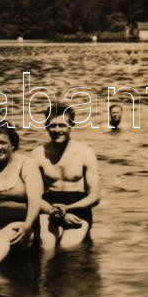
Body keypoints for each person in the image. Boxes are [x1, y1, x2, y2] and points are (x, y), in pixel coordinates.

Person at [0, 124, 44, 269]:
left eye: (3, 142)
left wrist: (27, 226)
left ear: (13, 144)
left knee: (3, 238)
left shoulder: (27, 164)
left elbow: (35, 201)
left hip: (20, 227)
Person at [34, 105, 101, 250]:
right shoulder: (38, 154)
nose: (57, 130)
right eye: (52, 126)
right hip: (49, 209)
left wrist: (68, 208)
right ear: (46, 126)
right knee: (46, 246)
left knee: (67, 247)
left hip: (78, 208)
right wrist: (54, 211)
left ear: (71, 125)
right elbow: (34, 196)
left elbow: (95, 197)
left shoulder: (85, 153)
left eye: (62, 125)